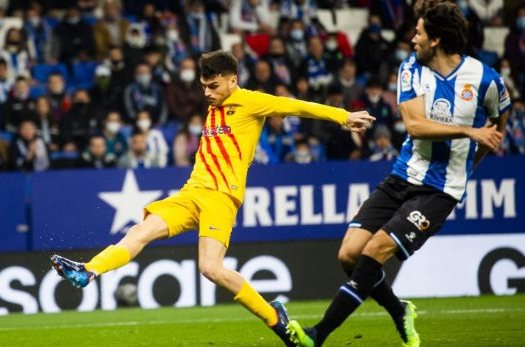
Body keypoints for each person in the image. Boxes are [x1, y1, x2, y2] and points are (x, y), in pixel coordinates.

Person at [50, 50, 374, 346]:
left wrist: (343, 116)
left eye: (213, 86)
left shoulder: (251, 102)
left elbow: (296, 106)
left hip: (221, 197)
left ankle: (275, 318)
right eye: (204, 86)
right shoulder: (213, 106)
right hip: (191, 192)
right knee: (139, 231)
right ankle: (88, 271)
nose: (207, 93)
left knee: (210, 268)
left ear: (233, 80)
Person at [288, 2, 510, 346]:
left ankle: (319, 334)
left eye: (419, 33)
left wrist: (465, 169)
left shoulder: (485, 79)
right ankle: (399, 310)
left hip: (440, 191)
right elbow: (415, 126)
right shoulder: (411, 68)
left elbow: (497, 126)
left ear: (435, 39)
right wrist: (469, 132)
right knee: (348, 255)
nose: (413, 38)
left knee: (374, 251)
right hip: (403, 176)